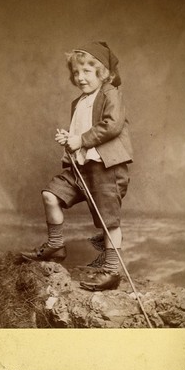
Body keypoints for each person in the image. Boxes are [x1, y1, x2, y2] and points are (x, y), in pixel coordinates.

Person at [21, 41, 133, 291]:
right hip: (80, 168)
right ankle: (56, 245)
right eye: (75, 72)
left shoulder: (110, 94)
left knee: (109, 220)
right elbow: (78, 135)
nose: (80, 77)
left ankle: (112, 272)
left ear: (102, 72)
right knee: (51, 195)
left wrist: (80, 139)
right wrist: (68, 140)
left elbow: (113, 125)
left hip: (106, 168)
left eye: (86, 71)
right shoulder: (78, 102)